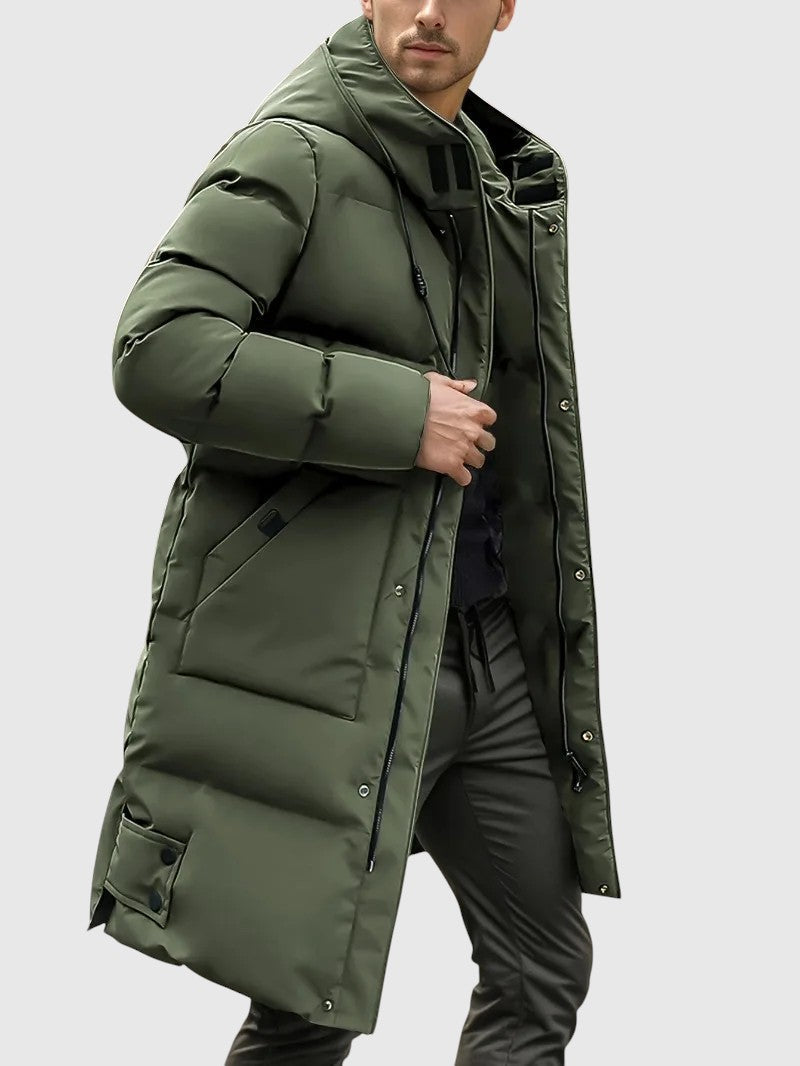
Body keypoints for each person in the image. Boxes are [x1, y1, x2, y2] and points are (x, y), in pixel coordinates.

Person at [87, 3, 621, 1063]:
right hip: (346, 652)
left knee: (541, 970)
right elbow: (157, 347)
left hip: (483, 644)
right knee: (308, 1003)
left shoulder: (490, 177)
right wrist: (396, 412)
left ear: (505, 8)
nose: (426, 13)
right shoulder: (296, 153)